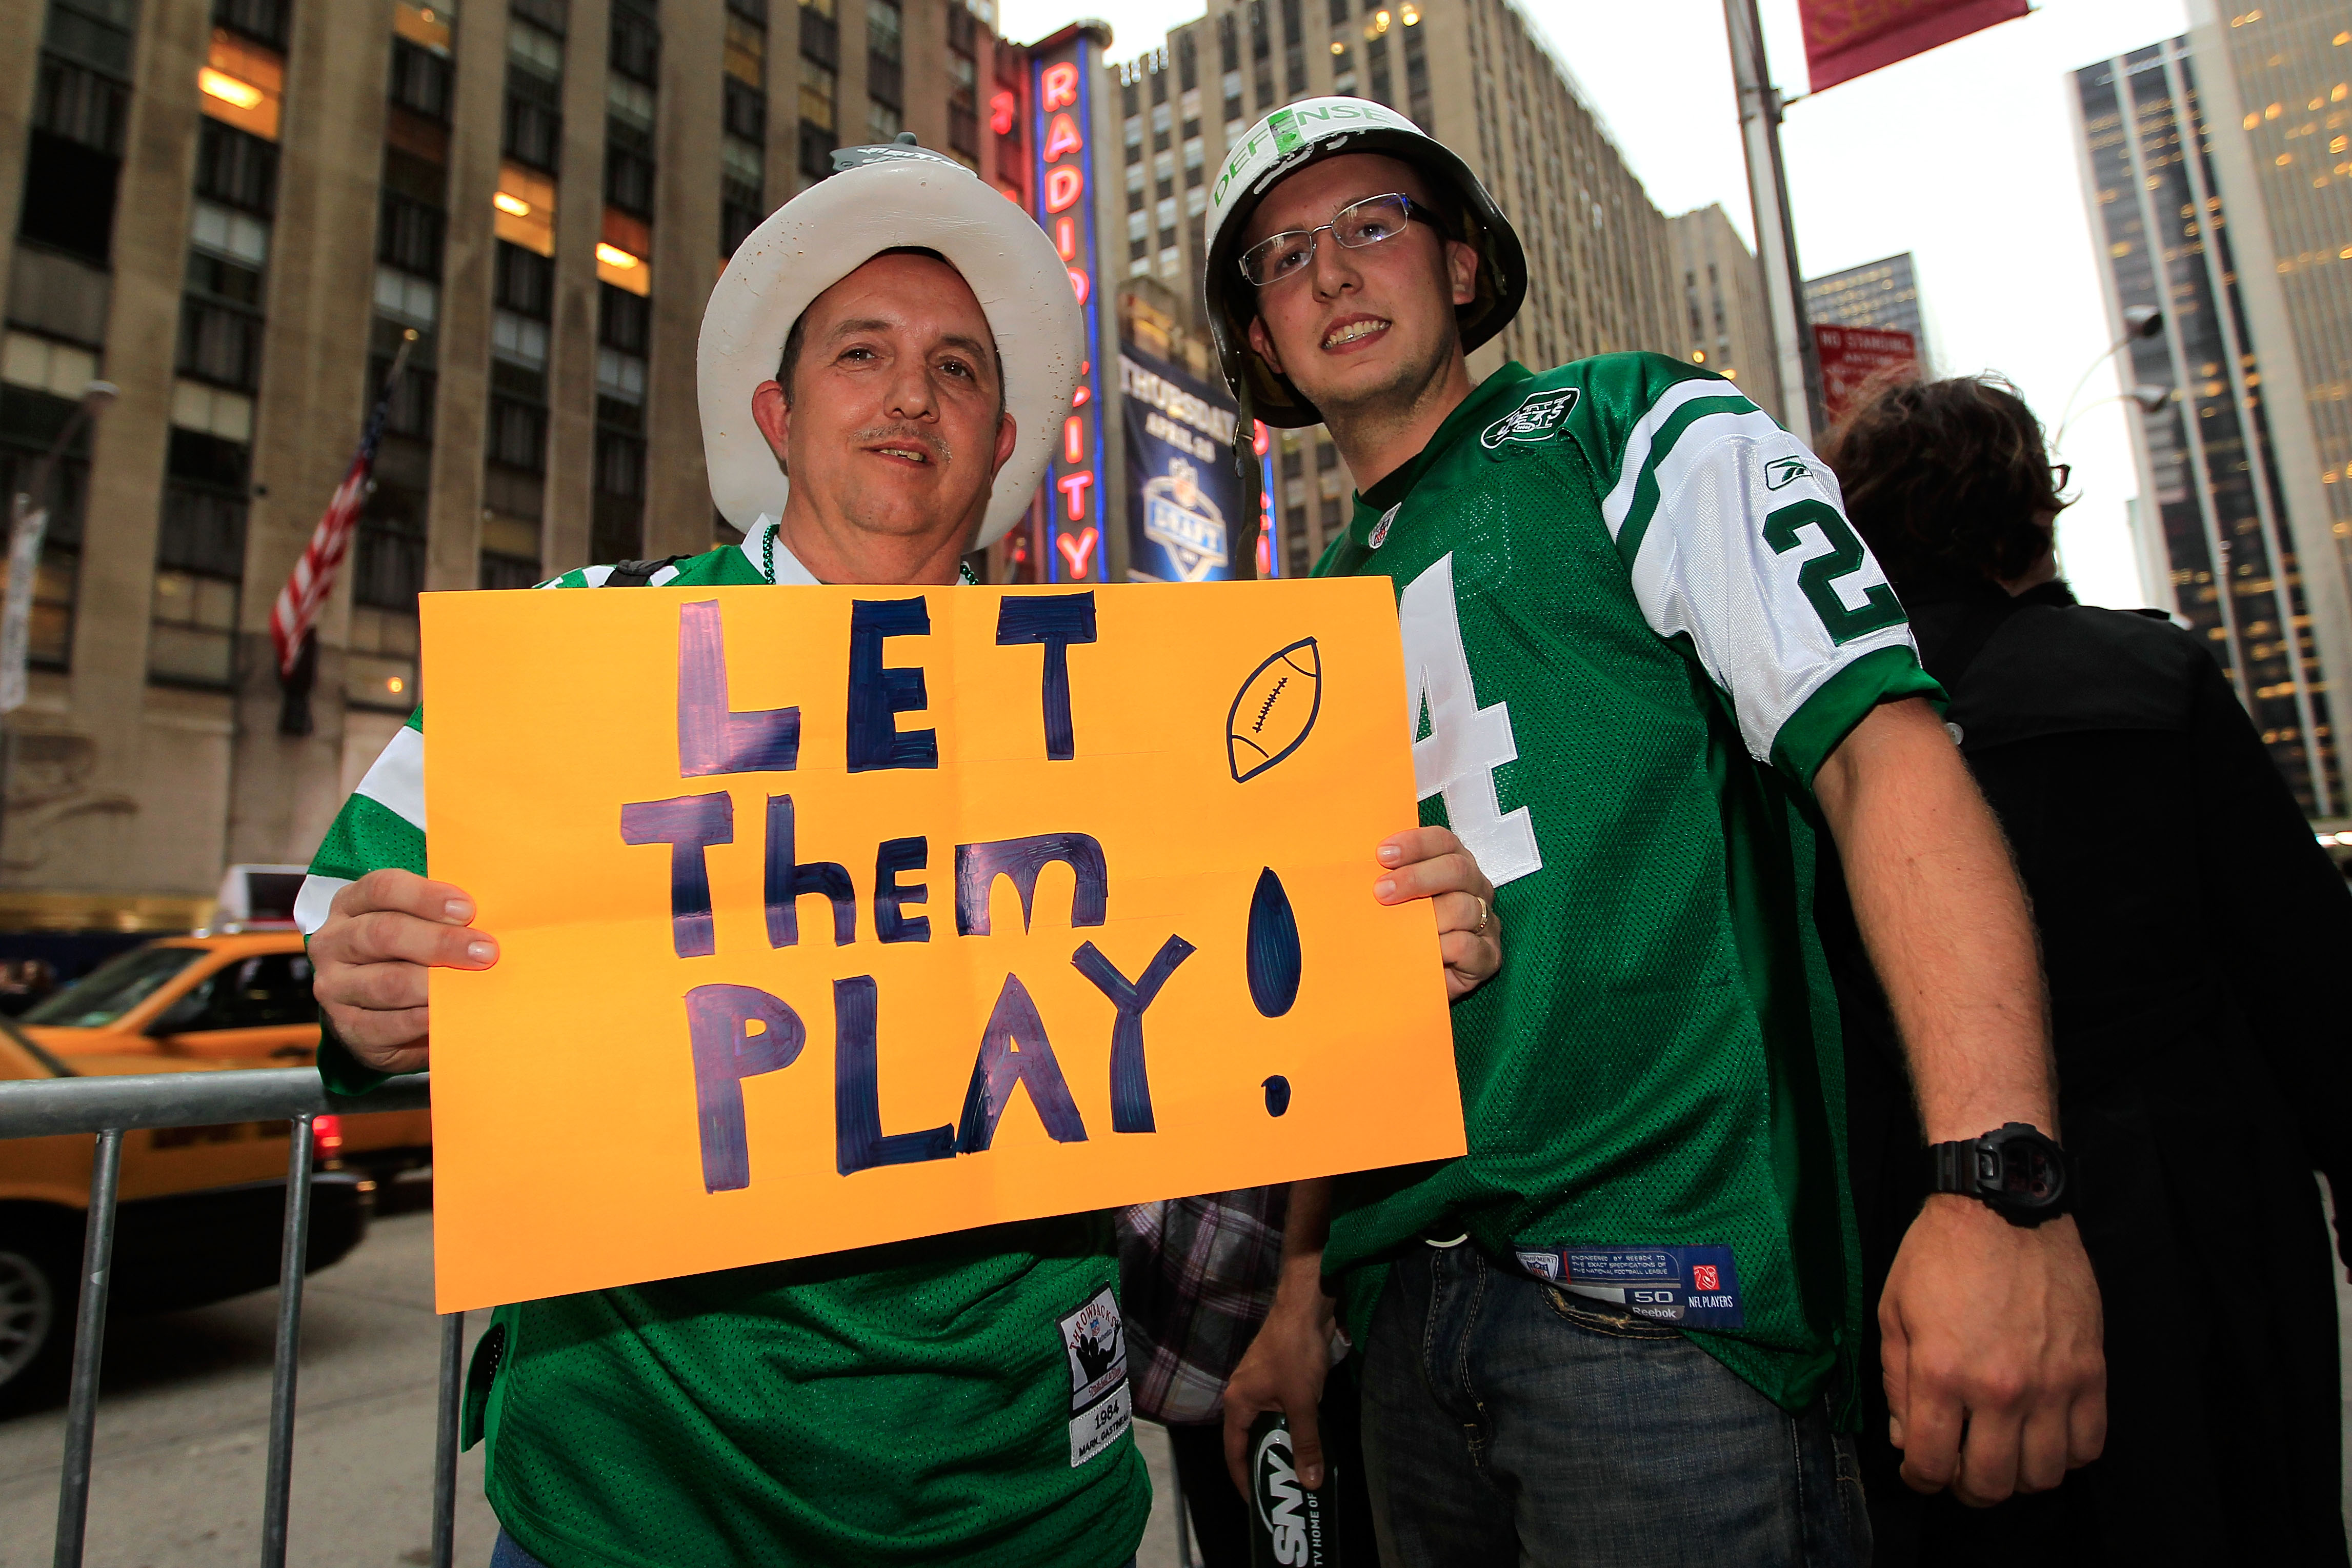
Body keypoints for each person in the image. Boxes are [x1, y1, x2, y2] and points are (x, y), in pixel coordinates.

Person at [296, 137, 1500, 1568]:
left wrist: (1404, 933)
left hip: (1016, 1506)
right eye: (861, 354)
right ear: (780, 413)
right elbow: (338, 931)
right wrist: (355, 981)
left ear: (999, 445)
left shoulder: (1129, 704)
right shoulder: (582, 650)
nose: (911, 395)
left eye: (958, 368)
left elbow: (1273, 974)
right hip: (634, 1504)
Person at [1199, 98, 2107, 1565]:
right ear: (1257, 339)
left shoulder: (1637, 429)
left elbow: (1882, 758)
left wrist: (1994, 1181)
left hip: (1660, 1316)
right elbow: (1327, 998)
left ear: (1467, 265)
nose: (1331, 271)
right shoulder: (1303, 612)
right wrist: (1299, 1286)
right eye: (1282, 255)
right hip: (1405, 1330)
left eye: (1374, 221)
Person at [1819, 372, 2352, 1566]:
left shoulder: (1824, 735)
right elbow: (2308, 972)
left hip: (1915, 1251)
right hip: (2187, 1229)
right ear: (2029, 505)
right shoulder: (2143, 678)